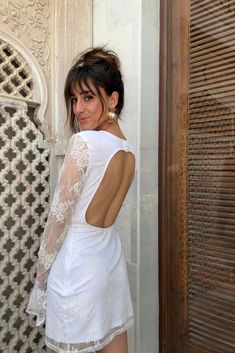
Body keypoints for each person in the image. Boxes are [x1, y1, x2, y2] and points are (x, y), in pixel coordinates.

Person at [26, 47, 136, 353]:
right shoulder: (129, 151)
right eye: (75, 99)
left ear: (112, 100)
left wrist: (41, 279)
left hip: (77, 273)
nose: (78, 108)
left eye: (88, 97)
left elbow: (57, 220)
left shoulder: (84, 142)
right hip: (110, 267)